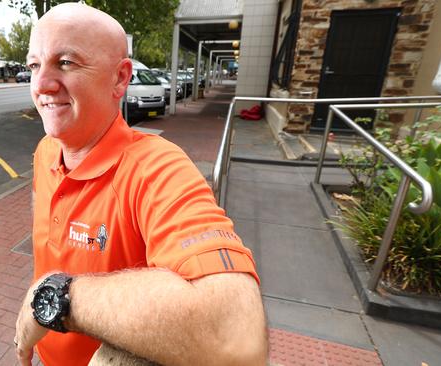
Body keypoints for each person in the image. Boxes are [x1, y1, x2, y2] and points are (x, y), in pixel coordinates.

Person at [14, 3, 267, 366]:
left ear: (120, 78)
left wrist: (53, 297)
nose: (41, 85)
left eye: (66, 62)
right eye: (35, 65)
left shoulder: (157, 168)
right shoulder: (45, 151)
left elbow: (237, 336)